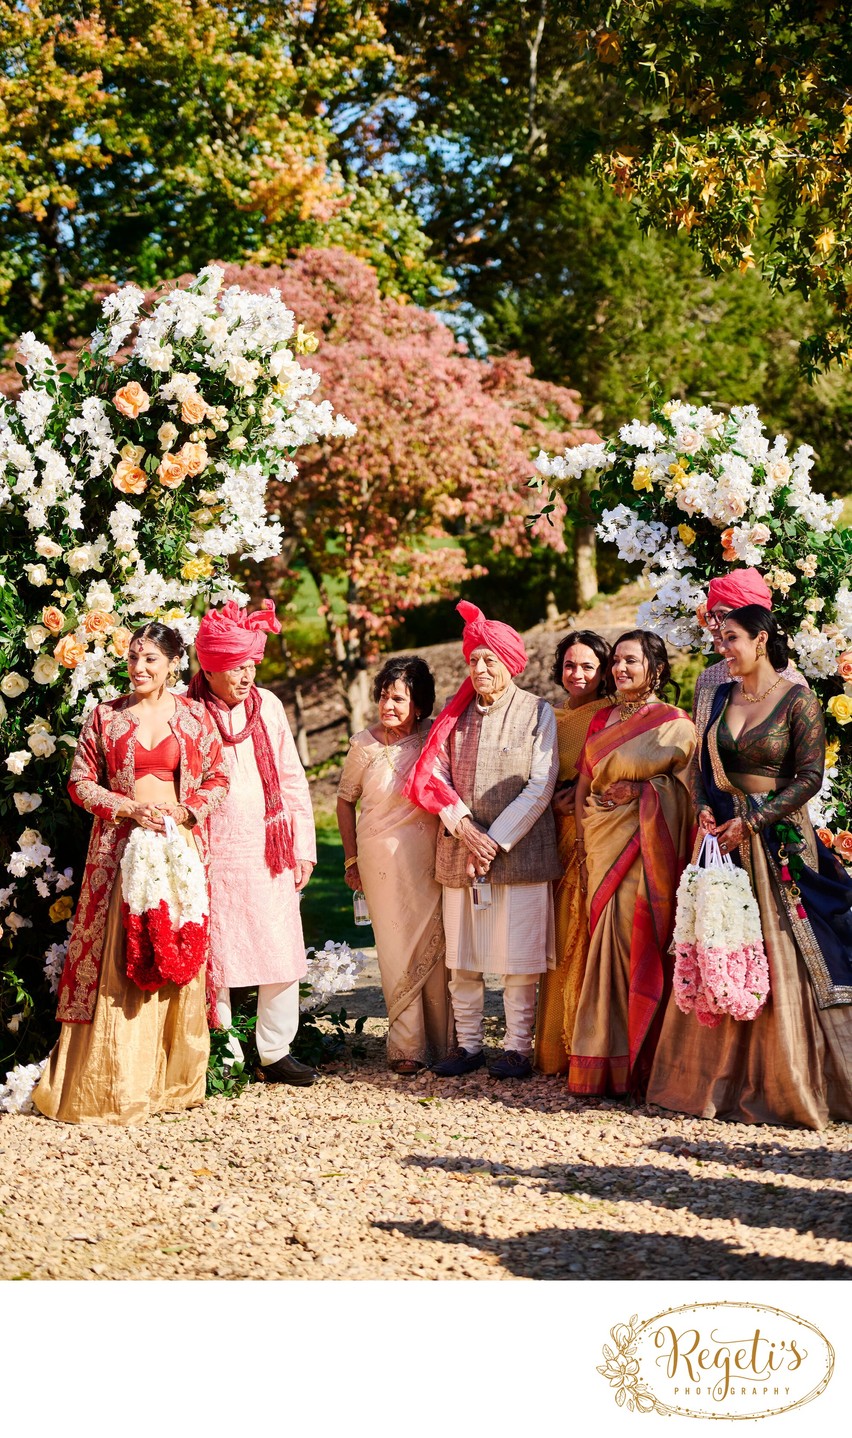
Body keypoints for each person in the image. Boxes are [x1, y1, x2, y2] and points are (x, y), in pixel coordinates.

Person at [648, 605, 852, 1129]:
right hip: (723, 842)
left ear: (761, 640)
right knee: (720, 942)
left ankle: (796, 1082)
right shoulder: (719, 695)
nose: (723, 648)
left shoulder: (798, 700)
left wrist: (755, 821)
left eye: (732, 638)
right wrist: (702, 808)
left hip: (778, 843)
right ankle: (710, 1081)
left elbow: (809, 778)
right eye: (720, 638)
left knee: (790, 949)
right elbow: (699, 767)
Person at [35, 623, 229, 1125]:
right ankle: (115, 1084)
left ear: (173, 664)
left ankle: (173, 1084)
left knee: (174, 946)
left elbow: (218, 777)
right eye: (133, 658)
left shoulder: (196, 717)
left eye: (150, 660)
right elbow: (80, 782)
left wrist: (187, 812)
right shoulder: (105, 716)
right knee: (121, 959)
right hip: (121, 852)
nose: (139, 668)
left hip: (177, 852)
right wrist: (125, 808)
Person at [405, 601, 560, 1080]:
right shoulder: (454, 719)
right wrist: (467, 829)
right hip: (461, 848)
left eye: (490, 659)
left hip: (520, 853)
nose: (481, 668)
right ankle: (469, 1047)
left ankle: (516, 1049)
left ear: (511, 663)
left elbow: (541, 783)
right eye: (474, 660)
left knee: (519, 961)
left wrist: (495, 840)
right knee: (463, 961)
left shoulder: (538, 712)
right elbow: (435, 778)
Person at [187, 600, 317, 1087]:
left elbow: (291, 777)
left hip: (270, 846)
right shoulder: (187, 708)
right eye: (236, 666)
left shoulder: (270, 706)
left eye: (251, 665)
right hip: (212, 848)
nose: (246, 675)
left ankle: (275, 1049)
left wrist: (303, 845)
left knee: (280, 945)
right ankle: (223, 1053)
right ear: (211, 666)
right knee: (216, 952)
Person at [569, 630, 696, 1099]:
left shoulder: (675, 724)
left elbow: (686, 791)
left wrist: (644, 791)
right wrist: (584, 838)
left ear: (655, 669)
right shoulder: (601, 718)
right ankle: (601, 1058)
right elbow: (585, 785)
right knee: (599, 947)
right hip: (601, 844)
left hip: (645, 849)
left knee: (632, 942)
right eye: (617, 661)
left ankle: (637, 1062)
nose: (621, 669)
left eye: (631, 661)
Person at [337, 656, 453, 1075]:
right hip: (379, 861)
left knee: (436, 946)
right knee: (394, 948)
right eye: (384, 696)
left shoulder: (433, 737)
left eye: (398, 699)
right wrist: (351, 859)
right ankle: (407, 1046)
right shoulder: (362, 745)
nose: (388, 705)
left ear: (418, 705)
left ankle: (442, 1044)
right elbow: (344, 800)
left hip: (427, 859)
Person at [534, 631, 614, 1075]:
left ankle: (585, 1044)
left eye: (588, 666)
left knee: (582, 933)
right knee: (553, 937)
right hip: (551, 838)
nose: (577, 674)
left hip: (595, 837)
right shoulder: (549, 717)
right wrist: (552, 803)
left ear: (604, 671)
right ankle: (552, 1045)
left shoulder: (613, 717)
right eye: (569, 665)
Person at [694, 567, 806, 735]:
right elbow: (699, 753)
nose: (711, 625)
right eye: (711, 615)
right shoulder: (708, 680)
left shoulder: (793, 686)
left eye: (722, 615)